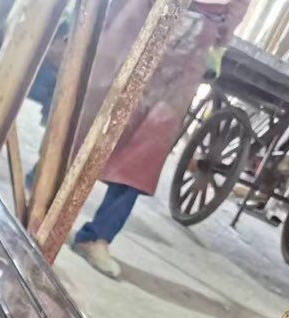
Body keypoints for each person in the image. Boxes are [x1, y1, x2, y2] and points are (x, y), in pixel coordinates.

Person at [71, 0, 248, 279]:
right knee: (99, 114)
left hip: (199, 35)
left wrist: (220, 34)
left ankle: (97, 237)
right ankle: (46, 197)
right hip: (148, 17)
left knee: (148, 146)